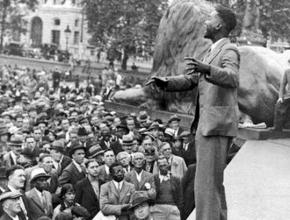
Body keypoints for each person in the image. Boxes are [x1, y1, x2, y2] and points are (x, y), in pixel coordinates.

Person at [147, 5, 239, 220]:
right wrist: (166, 82)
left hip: (215, 125)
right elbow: (192, 80)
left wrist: (206, 69)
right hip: (208, 125)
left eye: (210, 19)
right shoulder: (212, 51)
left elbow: (232, 77)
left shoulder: (229, 50)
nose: (205, 22)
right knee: (212, 182)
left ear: (219, 25)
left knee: (205, 185)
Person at [151, 156, 183, 220]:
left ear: (168, 164)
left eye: (165, 165)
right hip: (158, 209)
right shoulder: (154, 179)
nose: (163, 167)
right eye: (161, 166)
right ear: (158, 166)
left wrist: (179, 209)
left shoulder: (175, 179)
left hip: (173, 208)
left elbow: (180, 196)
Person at [274, 63, 290, 130]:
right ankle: (277, 128)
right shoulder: (287, 71)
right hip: (288, 96)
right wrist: (280, 97)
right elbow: (282, 85)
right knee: (279, 105)